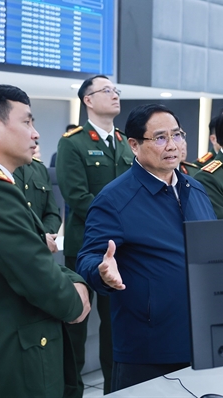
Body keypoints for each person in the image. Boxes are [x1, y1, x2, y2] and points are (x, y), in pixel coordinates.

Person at [0, 84, 92, 398]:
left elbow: (32, 253)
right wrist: (77, 296)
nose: (35, 134)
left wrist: (74, 280)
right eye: (27, 122)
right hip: (13, 360)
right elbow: (37, 274)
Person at [76, 104, 216, 391]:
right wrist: (101, 272)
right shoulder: (115, 198)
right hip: (149, 347)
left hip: (203, 337)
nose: (172, 145)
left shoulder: (196, 190)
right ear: (134, 145)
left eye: (177, 135)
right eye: (160, 138)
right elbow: (88, 257)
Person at [56, 74, 134, 395]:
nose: (115, 95)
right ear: (87, 100)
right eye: (106, 90)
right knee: (76, 323)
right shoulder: (73, 142)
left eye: (116, 90)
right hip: (85, 248)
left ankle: (114, 390)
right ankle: (71, 391)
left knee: (116, 327)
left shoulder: (126, 141)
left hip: (123, 250)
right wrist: (121, 221)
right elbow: (76, 195)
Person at [13, 154, 62, 252]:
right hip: (13, 247)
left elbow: (52, 213)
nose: (35, 147)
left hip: (40, 250)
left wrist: (44, 237)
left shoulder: (39, 168)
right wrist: (38, 238)